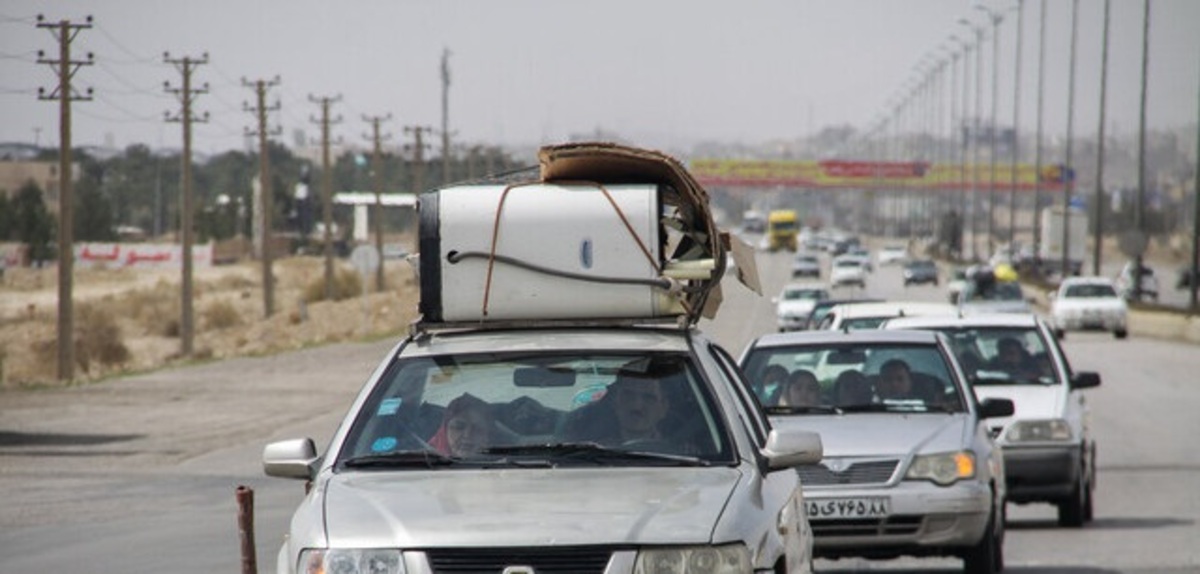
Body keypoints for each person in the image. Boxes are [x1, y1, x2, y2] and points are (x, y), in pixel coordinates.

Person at [429, 393, 493, 457]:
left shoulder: (500, 460)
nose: (467, 435)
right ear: (445, 430)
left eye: (477, 428)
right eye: (458, 427)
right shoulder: (426, 458)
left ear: (487, 435)